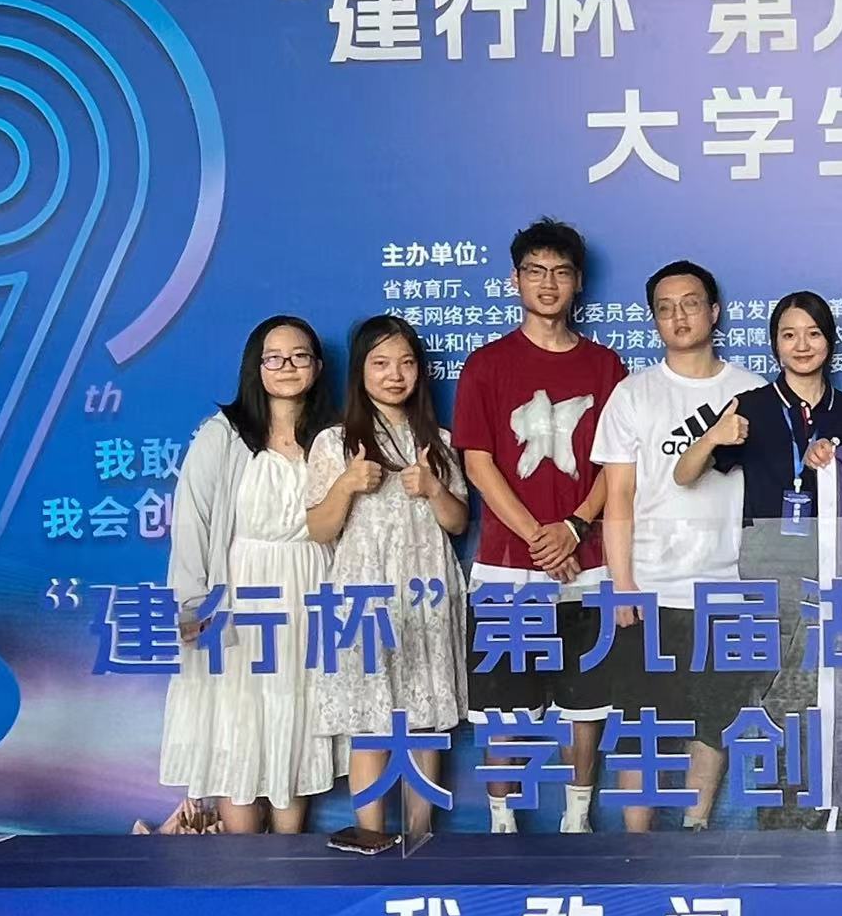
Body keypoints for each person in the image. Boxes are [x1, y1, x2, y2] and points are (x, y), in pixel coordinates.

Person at [452, 218, 628, 834]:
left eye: (560, 272)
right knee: (501, 703)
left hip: (589, 558)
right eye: (535, 271)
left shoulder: (606, 367)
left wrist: (574, 527)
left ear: (579, 282)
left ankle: (578, 816)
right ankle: (501, 822)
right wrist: (538, 537)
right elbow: (478, 463)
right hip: (507, 564)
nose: (548, 283)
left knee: (588, 699)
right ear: (515, 280)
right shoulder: (487, 365)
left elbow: (617, 465)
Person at [593, 260, 766, 831]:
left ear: (714, 312)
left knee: (713, 721)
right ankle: (636, 846)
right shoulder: (633, 394)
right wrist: (622, 584)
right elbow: (618, 497)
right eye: (665, 308)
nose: (679, 316)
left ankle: (696, 832)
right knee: (640, 722)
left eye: (691, 303)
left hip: (729, 585)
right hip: (652, 585)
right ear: (654, 320)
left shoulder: (752, 392)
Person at [159, 316, 342, 834]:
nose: (287, 367)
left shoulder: (333, 438)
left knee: (295, 719)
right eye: (274, 357)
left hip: (310, 591)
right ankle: (242, 859)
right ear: (255, 367)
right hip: (238, 594)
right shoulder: (222, 435)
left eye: (300, 356)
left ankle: (289, 853)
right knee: (237, 723)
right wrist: (192, 602)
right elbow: (192, 520)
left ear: (317, 366)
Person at [304, 316, 470, 840]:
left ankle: (421, 837)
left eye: (405, 363)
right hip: (364, 594)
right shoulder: (334, 442)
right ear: (360, 371)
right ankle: (371, 835)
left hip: (426, 592)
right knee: (370, 721)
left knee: (424, 717)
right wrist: (347, 484)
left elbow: (458, 523)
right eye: (380, 363)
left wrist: (434, 488)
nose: (394, 375)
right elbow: (319, 528)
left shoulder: (439, 442)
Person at [712, 291, 842, 821]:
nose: (802, 345)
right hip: (767, 559)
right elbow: (689, 471)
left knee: (823, 679)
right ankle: (776, 810)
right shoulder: (749, 406)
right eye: (789, 335)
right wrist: (715, 435)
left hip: (833, 559)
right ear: (774, 344)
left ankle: (820, 804)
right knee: (769, 680)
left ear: (830, 341)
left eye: (813, 333)